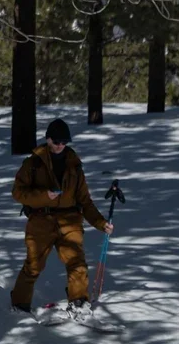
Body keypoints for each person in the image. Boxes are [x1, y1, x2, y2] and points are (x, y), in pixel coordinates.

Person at [10, 118, 113, 315]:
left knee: (76, 262)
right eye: (56, 141)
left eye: (64, 142)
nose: (59, 146)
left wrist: (101, 223)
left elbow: (85, 201)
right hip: (40, 220)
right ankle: (19, 303)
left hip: (70, 220)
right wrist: (43, 196)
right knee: (34, 264)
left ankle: (79, 301)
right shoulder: (33, 163)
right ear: (48, 139)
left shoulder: (74, 165)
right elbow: (17, 192)